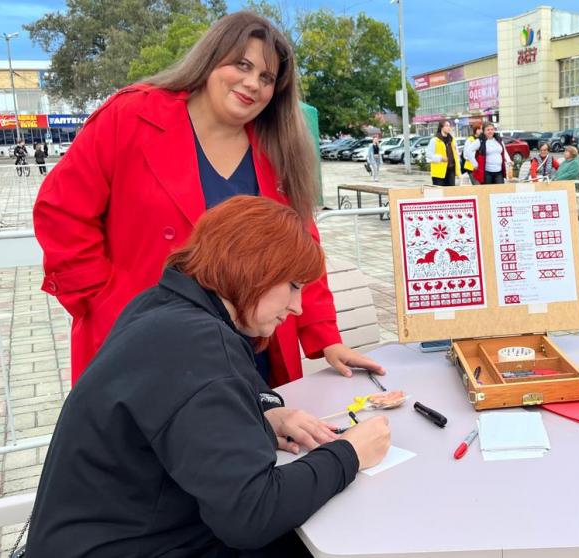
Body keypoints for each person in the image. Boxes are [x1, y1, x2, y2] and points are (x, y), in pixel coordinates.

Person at [27, 196, 393, 557]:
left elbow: (185, 419)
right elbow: (252, 515)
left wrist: (264, 417)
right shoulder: (202, 343)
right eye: (294, 286)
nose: (297, 307)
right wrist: (350, 454)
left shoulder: (163, 307)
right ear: (254, 267)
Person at [32, 11, 382, 387]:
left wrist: (326, 337)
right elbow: (61, 213)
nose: (252, 83)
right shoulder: (131, 115)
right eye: (242, 65)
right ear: (212, 57)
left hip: (249, 356)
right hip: (146, 346)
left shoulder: (277, 147)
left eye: (266, 77)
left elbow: (299, 252)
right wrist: (106, 305)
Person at [425, 120, 460, 187]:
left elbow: (456, 154)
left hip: (451, 171)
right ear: (441, 127)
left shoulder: (452, 140)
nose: (449, 128)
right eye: (446, 126)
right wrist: (440, 158)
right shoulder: (435, 140)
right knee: (439, 194)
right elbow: (428, 155)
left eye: (449, 126)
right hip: (438, 173)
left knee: (450, 193)